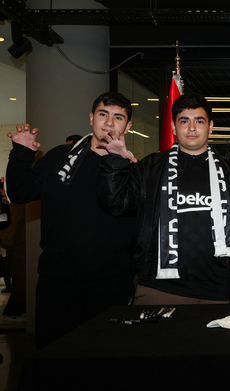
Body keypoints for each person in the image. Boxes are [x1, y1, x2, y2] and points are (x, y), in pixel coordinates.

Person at [97, 93, 230, 305]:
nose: (192, 128)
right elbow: (116, 203)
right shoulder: (150, 168)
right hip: (159, 289)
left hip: (220, 292)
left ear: (210, 127)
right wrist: (116, 162)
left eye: (199, 121)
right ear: (173, 127)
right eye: (184, 121)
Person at [6, 92, 138, 349]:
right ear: (91, 118)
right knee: (54, 357)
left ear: (128, 126)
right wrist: (21, 154)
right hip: (57, 281)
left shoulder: (132, 168)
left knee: (106, 358)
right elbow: (20, 193)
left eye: (118, 117)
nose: (109, 123)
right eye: (103, 114)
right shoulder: (59, 157)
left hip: (110, 283)